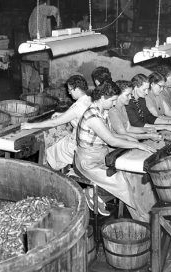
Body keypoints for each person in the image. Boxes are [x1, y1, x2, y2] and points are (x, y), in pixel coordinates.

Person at [75, 81, 157, 222]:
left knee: (133, 177)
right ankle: (92, 194)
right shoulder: (92, 116)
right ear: (102, 98)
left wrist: (135, 140)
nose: (114, 104)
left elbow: (113, 135)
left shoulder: (103, 112)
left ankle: (145, 216)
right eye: (112, 100)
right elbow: (112, 140)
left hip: (102, 156)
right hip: (88, 162)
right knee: (124, 184)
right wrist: (137, 145)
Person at [21, 75, 91, 170]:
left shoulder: (78, 106)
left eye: (70, 89)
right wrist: (61, 114)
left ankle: (48, 173)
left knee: (49, 148)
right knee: (61, 135)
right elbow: (73, 114)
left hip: (79, 146)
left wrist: (31, 125)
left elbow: (54, 123)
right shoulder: (88, 99)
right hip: (89, 142)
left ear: (77, 89)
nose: (69, 93)